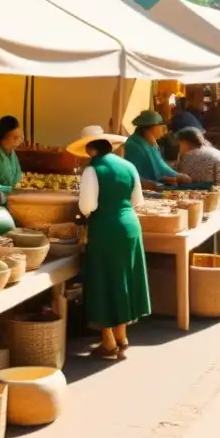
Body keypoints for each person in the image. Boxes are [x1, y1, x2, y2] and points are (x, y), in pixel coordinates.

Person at [69, 125, 149, 360]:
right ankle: (122, 337)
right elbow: (137, 201)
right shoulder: (128, 166)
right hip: (130, 226)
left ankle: (108, 340)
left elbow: (87, 206)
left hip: (106, 228)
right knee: (122, 280)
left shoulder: (93, 170)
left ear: (90, 148)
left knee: (103, 280)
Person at [124, 110, 191, 189]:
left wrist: (175, 176)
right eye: (161, 127)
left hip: (155, 184)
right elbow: (133, 174)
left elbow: (160, 165)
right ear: (152, 128)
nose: (164, 131)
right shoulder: (134, 145)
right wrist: (176, 175)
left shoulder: (151, 143)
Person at [176, 127, 220, 199]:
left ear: (185, 142)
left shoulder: (187, 155)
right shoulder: (216, 152)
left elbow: (179, 178)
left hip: (204, 199)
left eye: (180, 144)